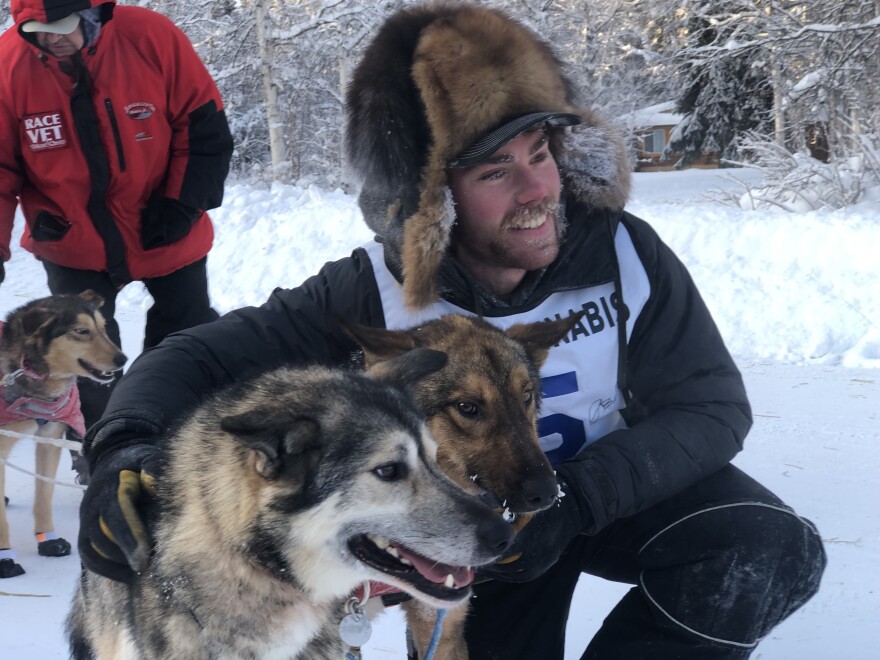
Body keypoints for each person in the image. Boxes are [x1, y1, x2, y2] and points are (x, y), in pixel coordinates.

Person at [76, 4, 825, 659]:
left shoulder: (625, 252)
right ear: (433, 201)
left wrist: (583, 497)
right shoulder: (371, 287)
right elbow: (197, 353)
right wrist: (125, 449)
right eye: (497, 173)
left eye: (542, 156)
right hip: (468, 525)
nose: (538, 191)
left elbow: (712, 406)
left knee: (765, 549)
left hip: (599, 497)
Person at [0, 0, 234, 476]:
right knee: (86, 350)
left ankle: (178, 443)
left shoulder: (151, 37)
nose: (52, 40)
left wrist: (182, 202)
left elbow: (203, 125)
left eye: (62, 28)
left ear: (91, 16)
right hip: (70, 238)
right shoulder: (8, 67)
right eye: (37, 32)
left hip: (165, 226)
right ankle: (103, 452)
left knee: (184, 336)